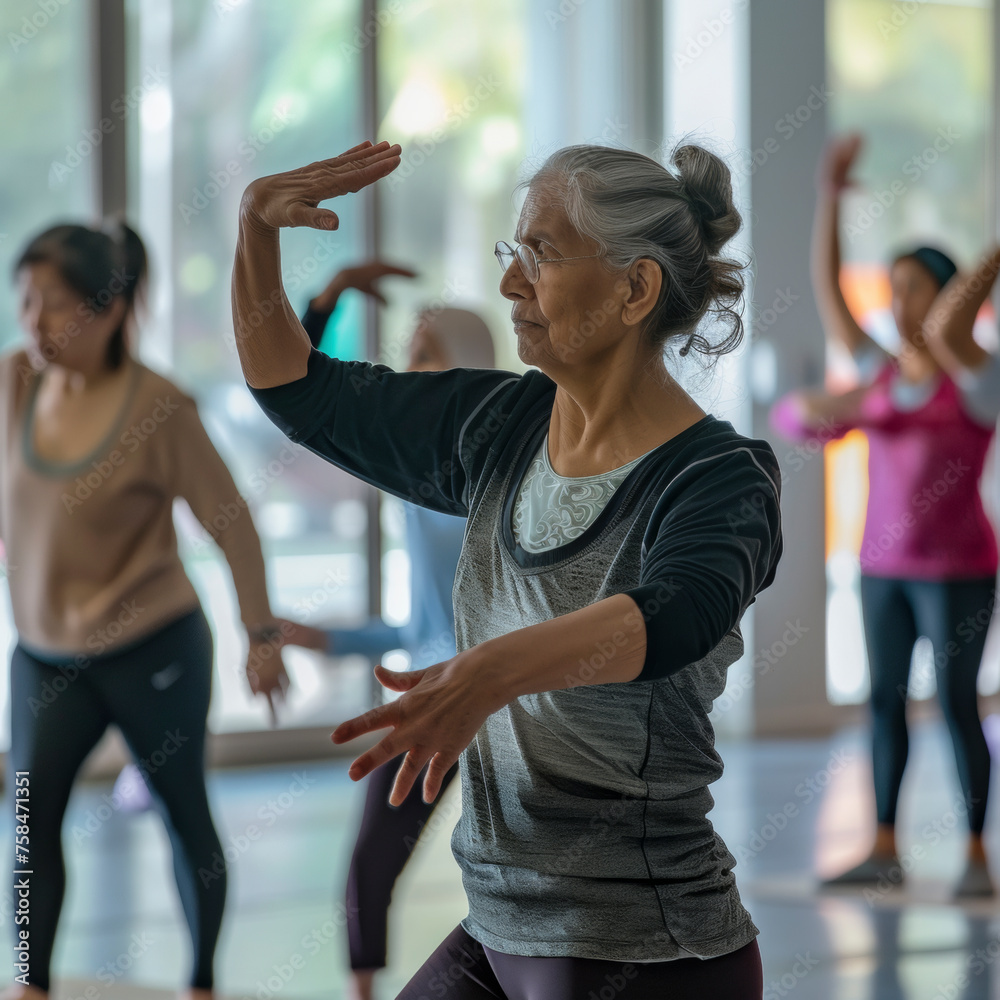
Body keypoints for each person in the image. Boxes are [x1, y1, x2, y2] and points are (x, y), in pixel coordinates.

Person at [232, 139, 782, 999]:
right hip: (498, 927)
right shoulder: (500, 424)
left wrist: (488, 672)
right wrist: (256, 233)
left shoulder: (718, 477)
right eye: (512, 252)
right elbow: (295, 388)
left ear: (636, 289)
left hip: (638, 949)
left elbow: (674, 612)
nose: (510, 283)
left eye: (543, 254)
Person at [2, 221, 292, 1000]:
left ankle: (200, 984)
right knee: (28, 825)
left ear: (108, 308)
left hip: (151, 648)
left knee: (183, 815)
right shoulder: (11, 385)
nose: (32, 320)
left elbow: (231, 522)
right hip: (42, 657)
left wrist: (260, 635)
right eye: (24, 300)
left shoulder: (159, 407)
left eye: (54, 305)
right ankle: (30, 986)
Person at [770, 133, 1000, 897]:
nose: (898, 304)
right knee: (883, 705)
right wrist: (828, 199)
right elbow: (830, 289)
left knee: (960, 706)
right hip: (880, 568)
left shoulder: (977, 380)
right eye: (893, 288)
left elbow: (948, 332)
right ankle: (884, 846)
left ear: (949, 296)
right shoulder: (876, 376)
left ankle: (974, 856)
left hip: (960, 570)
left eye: (915, 288)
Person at [280, 266, 496, 1000]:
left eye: (429, 352)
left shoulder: (513, 462)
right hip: (434, 691)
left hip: (514, 693)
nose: (411, 369)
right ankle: (364, 991)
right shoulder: (410, 470)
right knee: (373, 859)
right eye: (410, 353)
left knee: (525, 865)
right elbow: (295, 389)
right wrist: (325, 299)